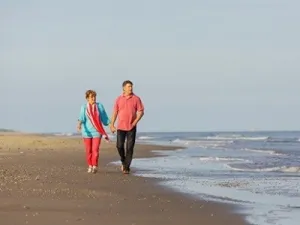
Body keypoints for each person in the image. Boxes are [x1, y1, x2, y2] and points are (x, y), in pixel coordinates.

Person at [110, 80, 144, 174]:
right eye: (129, 86)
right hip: (120, 126)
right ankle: (123, 160)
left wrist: (135, 122)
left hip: (131, 127)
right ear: (124, 88)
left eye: (131, 86)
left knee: (130, 147)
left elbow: (141, 112)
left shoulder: (136, 98)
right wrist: (112, 124)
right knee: (119, 146)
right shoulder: (118, 99)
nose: (131, 88)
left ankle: (126, 167)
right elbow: (115, 112)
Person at [77, 90, 110, 174]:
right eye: (91, 97)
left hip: (97, 131)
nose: (93, 98)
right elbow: (81, 117)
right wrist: (79, 124)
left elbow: (104, 117)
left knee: (95, 150)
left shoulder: (99, 106)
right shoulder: (84, 107)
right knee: (88, 150)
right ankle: (90, 165)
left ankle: (94, 166)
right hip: (86, 132)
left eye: (94, 96)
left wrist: (111, 125)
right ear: (87, 98)